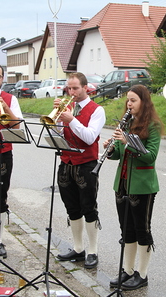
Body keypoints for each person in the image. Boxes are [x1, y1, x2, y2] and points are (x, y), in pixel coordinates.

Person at [103, 84, 163, 290]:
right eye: (128, 100)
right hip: (122, 183)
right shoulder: (125, 124)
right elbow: (119, 154)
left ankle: (142, 274)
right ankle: (127, 271)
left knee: (142, 230)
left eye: (133, 100)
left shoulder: (153, 126)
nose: (129, 104)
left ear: (144, 103)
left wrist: (128, 142)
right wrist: (110, 150)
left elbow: (151, 156)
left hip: (143, 186)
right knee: (126, 229)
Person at [55, 72, 106, 269]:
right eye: (69, 88)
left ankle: (92, 251)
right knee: (72, 208)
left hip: (86, 164)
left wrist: (71, 120)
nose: (72, 92)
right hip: (66, 162)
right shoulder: (68, 108)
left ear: (86, 88)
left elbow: (90, 137)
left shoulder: (97, 110)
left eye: (76, 88)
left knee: (89, 207)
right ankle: (78, 249)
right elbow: (58, 134)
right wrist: (58, 121)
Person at [0, 62, 23, 258]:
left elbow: (17, 126)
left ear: (3, 78)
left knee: (0, 197)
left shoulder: (10, 99)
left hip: (2, 153)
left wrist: (4, 106)